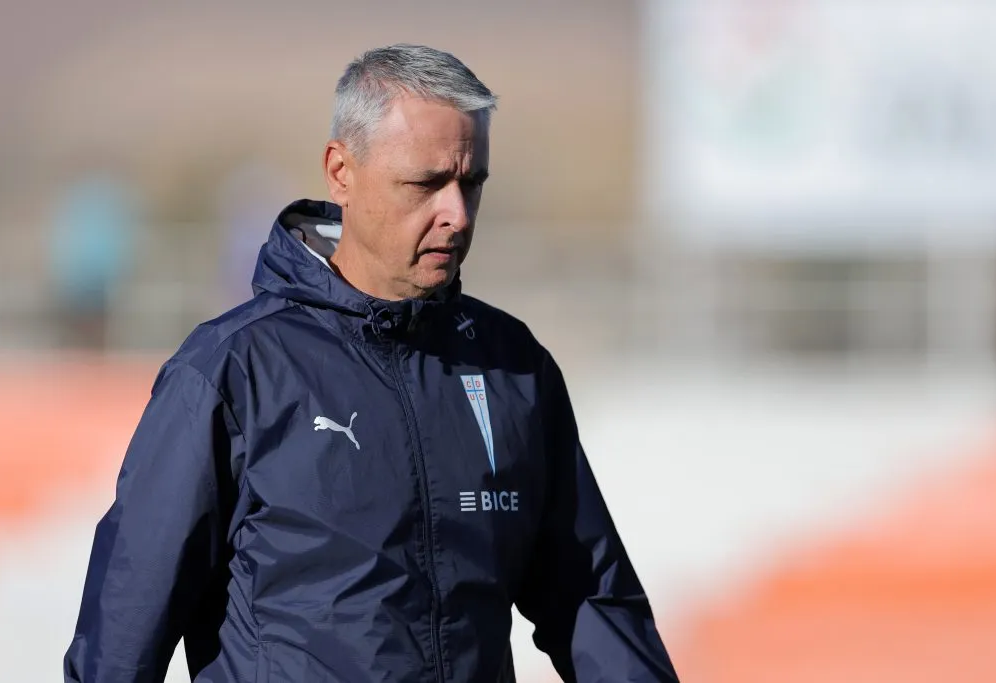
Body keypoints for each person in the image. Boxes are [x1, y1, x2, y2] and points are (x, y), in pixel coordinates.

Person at [64, 44, 679, 683]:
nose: (457, 214)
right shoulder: (233, 371)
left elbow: (591, 600)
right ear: (342, 172)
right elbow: (122, 635)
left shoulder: (512, 370)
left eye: (472, 183)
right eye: (426, 183)